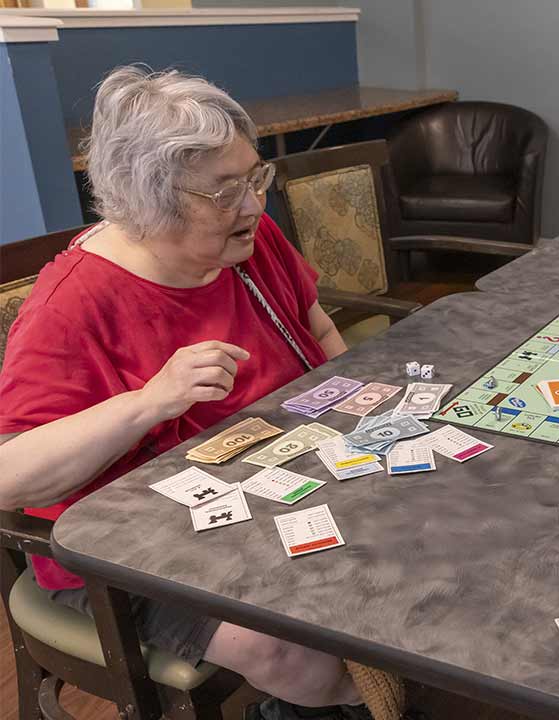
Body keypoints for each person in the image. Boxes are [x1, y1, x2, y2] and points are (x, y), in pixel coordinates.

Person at [0, 67, 361, 709]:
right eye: (226, 191)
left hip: (279, 485)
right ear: (151, 198)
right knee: (282, 647)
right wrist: (150, 401)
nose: (254, 205)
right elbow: (9, 478)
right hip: (123, 557)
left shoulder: (248, 241)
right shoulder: (71, 305)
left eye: (255, 178)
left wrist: (362, 416)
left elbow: (319, 328)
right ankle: (362, 699)